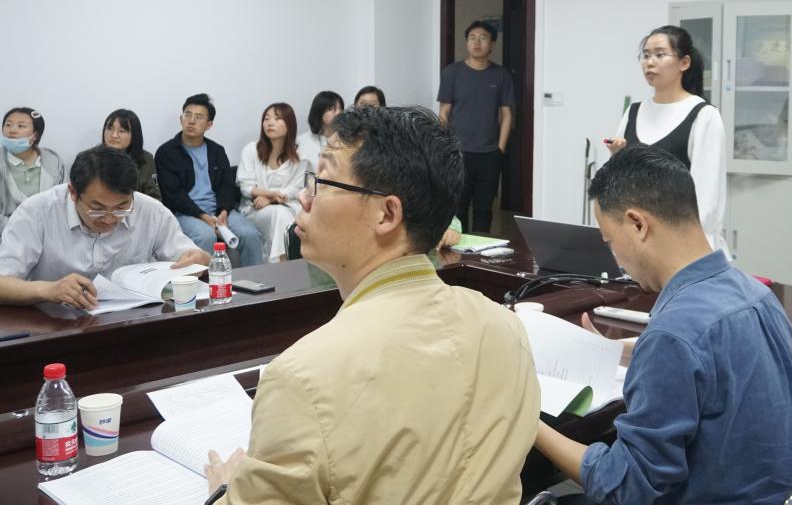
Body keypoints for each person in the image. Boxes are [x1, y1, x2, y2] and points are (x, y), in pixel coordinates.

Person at [204, 106, 540, 504]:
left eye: (321, 180)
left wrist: (225, 489)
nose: (303, 196)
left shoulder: (302, 377)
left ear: (387, 214)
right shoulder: (505, 327)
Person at [534, 145, 792, 504]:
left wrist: (527, 420)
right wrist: (625, 351)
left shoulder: (674, 334)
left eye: (610, 242)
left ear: (638, 224)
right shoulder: (757, 296)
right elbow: (715, 362)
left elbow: (627, 489)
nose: (617, 261)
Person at [0, 146, 208, 308]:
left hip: (131, 321)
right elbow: (3, 283)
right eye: (97, 209)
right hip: (54, 323)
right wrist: (49, 290)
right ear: (73, 192)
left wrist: (199, 260)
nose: (109, 219)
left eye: (121, 208)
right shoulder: (36, 212)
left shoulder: (151, 211)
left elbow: (191, 257)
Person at [605, 25, 728, 253]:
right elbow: (619, 187)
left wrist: (691, 248)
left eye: (660, 55)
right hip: (638, 241)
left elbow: (706, 198)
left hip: (681, 246)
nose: (650, 62)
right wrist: (617, 157)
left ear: (684, 63)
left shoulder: (703, 115)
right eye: (646, 55)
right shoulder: (633, 112)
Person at [155, 94, 263, 267]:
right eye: (187, 115)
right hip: (186, 213)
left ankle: (255, 281)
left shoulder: (217, 151)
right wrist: (204, 216)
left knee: (249, 234)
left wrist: (224, 212)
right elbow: (173, 196)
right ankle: (205, 283)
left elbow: (227, 187)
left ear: (209, 124)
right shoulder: (166, 153)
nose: (191, 121)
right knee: (205, 236)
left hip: (218, 210)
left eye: (199, 117)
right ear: (181, 119)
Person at [437, 20, 515, 233]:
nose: (477, 43)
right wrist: (445, 146)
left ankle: (480, 250)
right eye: (472, 38)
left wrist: (500, 149)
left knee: (484, 210)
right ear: (467, 43)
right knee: (458, 209)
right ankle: (458, 250)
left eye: (483, 38)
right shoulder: (451, 73)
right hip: (458, 153)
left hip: (489, 153)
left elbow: (507, 115)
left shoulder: (501, 75)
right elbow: (444, 113)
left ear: (492, 45)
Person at [237, 103, 306, 263]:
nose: (270, 123)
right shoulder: (251, 150)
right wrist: (272, 195)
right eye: (266, 119)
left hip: (289, 206)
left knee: (283, 215)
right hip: (255, 208)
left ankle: (282, 264)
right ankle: (284, 264)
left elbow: (296, 188)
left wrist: (272, 199)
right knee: (279, 215)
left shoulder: (300, 154)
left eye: (277, 118)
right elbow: (246, 187)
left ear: (289, 124)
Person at [0, 107, 65, 233]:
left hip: (49, 234)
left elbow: (64, 200)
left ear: (35, 135)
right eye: (8, 125)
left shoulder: (53, 161)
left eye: (21, 126)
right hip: (6, 235)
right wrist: (21, 230)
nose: (12, 130)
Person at [102, 109, 161, 200]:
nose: (114, 135)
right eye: (110, 129)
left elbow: (154, 197)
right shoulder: (92, 158)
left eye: (121, 131)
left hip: (135, 208)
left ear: (134, 135)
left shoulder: (146, 159)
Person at [295, 91, 344, 167]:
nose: (338, 113)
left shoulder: (346, 141)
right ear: (319, 111)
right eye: (332, 109)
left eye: (340, 109)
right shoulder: (300, 142)